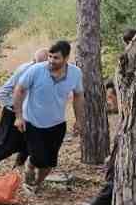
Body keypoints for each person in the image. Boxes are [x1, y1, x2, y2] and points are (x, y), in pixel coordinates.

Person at [11, 40, 82, 193]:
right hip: (33, 122)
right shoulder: (36, 70)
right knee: (38, 159)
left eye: (55, 58)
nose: (51, 60)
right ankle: (29, 164)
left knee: (50, 163)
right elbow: (19, 90)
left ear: (66, 58)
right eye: (49, 56)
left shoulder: (75, 73)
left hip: (57, 124)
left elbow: (78, 95)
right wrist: (18, 116)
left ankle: (36, 184)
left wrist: (79, 120)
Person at [0, 48, 48, 173]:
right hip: (13, 113)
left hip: (31, 114)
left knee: (29, 144)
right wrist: (15, 107)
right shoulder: (24, 71)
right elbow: (2, 93)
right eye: (39, 64)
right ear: (34, 62)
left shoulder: (48, 72)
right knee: (6, 146)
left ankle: (19, 169)